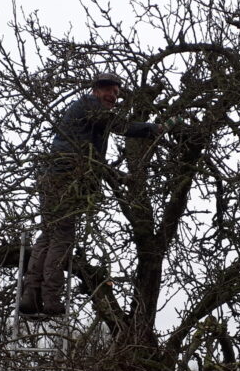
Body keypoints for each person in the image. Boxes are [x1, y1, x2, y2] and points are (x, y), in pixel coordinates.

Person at [19, 72, 164, 316]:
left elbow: (95, 155)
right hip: (66, 178)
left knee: (49, 234)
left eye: (117, 93)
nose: (113, 96)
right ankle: (51, 298)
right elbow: (119, 126)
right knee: (63, 236)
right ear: (96, 89)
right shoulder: (89, 105)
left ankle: (30, 297)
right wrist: (153, 128)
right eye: (109, 91)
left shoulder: (86, 110)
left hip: (53, 175)